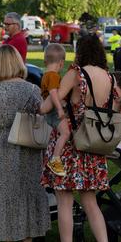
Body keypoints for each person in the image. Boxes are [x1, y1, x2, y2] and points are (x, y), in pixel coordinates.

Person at [41, 34, 117, 242]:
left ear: (80, 51)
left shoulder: (76, 73)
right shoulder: (109, 77)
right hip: (92, 144)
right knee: (91, 203)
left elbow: (53, 103)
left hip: (70, 145)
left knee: (64, 202)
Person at [0, 45, 50, 242]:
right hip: (27, 145)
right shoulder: (31, 90)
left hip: (0, 147)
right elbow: (43, 119)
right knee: (27, 192)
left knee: (3, 195)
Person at [39, 43, 70, 177]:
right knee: (65, 133)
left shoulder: (46, 75)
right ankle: (55, 159)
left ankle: (54, 158)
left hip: (50, 112)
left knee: (61, 134)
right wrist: (59, 108)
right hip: (53, 111)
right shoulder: (53, 76)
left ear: (46, 61)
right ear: (61, 63)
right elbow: (53, 93)